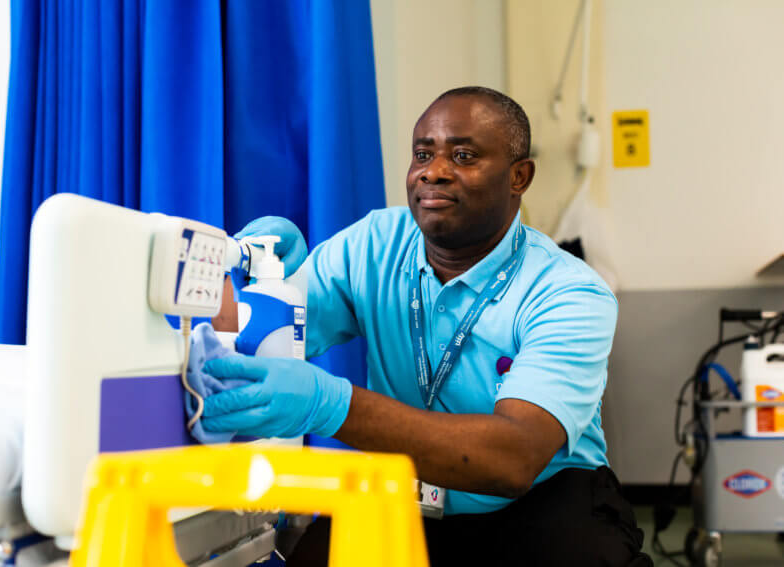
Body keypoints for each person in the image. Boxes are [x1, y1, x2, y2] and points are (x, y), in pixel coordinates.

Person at [204, 86, 651, 566]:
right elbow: (244, 336)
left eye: (463, 155)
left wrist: (330, 404)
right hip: (407, 497)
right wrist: (246, 274)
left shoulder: (568, 291)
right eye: (423, 153)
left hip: (540, 503)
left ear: (519, 176)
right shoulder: (372, 245)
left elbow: (513, 458)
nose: (433, 171)